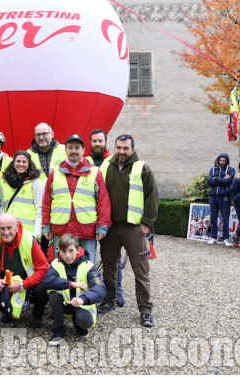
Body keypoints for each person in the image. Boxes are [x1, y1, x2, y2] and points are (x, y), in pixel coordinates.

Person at [98, 135, 158, 328]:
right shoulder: (106, 166)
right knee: (109, 268)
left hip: (134, 228)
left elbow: (152, 197)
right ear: (114, 148)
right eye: (118, 147)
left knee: (141, 271)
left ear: (132, 149)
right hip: (111, 228)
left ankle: (146, 311)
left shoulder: (142, 168)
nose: (121, 151)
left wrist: (145, 224)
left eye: (125, 148)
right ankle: (109, 301)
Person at [42, 134, 111, 267]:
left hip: (86, 230)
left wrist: (102, 227)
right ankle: (62, 288)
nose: (73, 151)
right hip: (61, 229)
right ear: (66, 150)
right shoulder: (55, 173)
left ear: (83, 150)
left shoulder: (95, 172)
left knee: (88, 266)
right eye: (70, 148)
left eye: (77, 147)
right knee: (61, 266)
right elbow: (47, 202)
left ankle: (86, 288)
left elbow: (103, 202)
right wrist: (46, 225)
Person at [0, 213, 49, 327]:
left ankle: (37, 316)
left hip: (30, 281)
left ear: (17, 227)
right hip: (7, 281)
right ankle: (8, 312)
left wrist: (23, 285)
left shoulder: (30, 240)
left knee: (42, 287)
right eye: (2, 228)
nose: (6, 232)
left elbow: (43, 269)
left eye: (9, 228)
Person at [86, 128, 126, 307]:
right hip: (87, 217)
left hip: (107, 217)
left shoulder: (113, 161)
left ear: (105, 143)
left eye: (100, 141)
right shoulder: (84, 161)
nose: (97, 144)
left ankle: (116, 291)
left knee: (112, 259)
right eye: (94, 141)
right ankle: (91, 291)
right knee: (87, 258)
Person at [43, 233, 106, 345]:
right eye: (64, 251)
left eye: (71, 251)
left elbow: (100, 289)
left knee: (84, 321)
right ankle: (59, 330)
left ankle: (79, 326)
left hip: (81, 305)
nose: (67, 255)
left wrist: (83, 299)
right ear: (59, 251)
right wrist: (71, 284)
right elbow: (47, 281)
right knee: (53, 295)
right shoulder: (56, 263)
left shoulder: (88, 266)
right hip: (64, 304)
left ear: (78, 250)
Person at [0, 150, 45, 238]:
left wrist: (37, 234)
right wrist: (0, 228)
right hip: (8, 232)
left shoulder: (36, 182)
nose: (21, 164)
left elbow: (40, 209)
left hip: (28, 233)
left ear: (29, 164)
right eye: (18, 161)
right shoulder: (4, 181)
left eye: (24, 162)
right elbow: (2, 206)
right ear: (13, 163)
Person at [207, 153, 235, 246]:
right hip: (213, 196)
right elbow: (209, 181)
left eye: (224, 161)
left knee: (225, 218)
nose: (222, 162)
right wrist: (221, 180)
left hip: (225, 197)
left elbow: (228, 181)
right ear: (218, 160)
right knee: (213, 217)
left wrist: (216, 179)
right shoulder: (213, 169)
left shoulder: (230, 170)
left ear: (227, 161)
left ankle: (225, 238)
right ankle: (213, 237)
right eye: (220, 160)